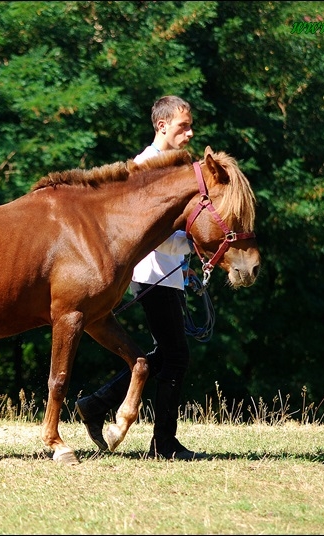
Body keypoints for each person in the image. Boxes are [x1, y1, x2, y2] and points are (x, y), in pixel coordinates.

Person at [75, 95, 208, 461]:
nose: (190, 132)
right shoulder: (145, 167)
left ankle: (96, 403)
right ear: (162, 125)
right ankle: (163, 444)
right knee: (176, 358)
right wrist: (192, 247)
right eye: (183, 126)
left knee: (166, 355)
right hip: (152, 274)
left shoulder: (171, 167)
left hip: (167, 275)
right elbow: (148, 233)